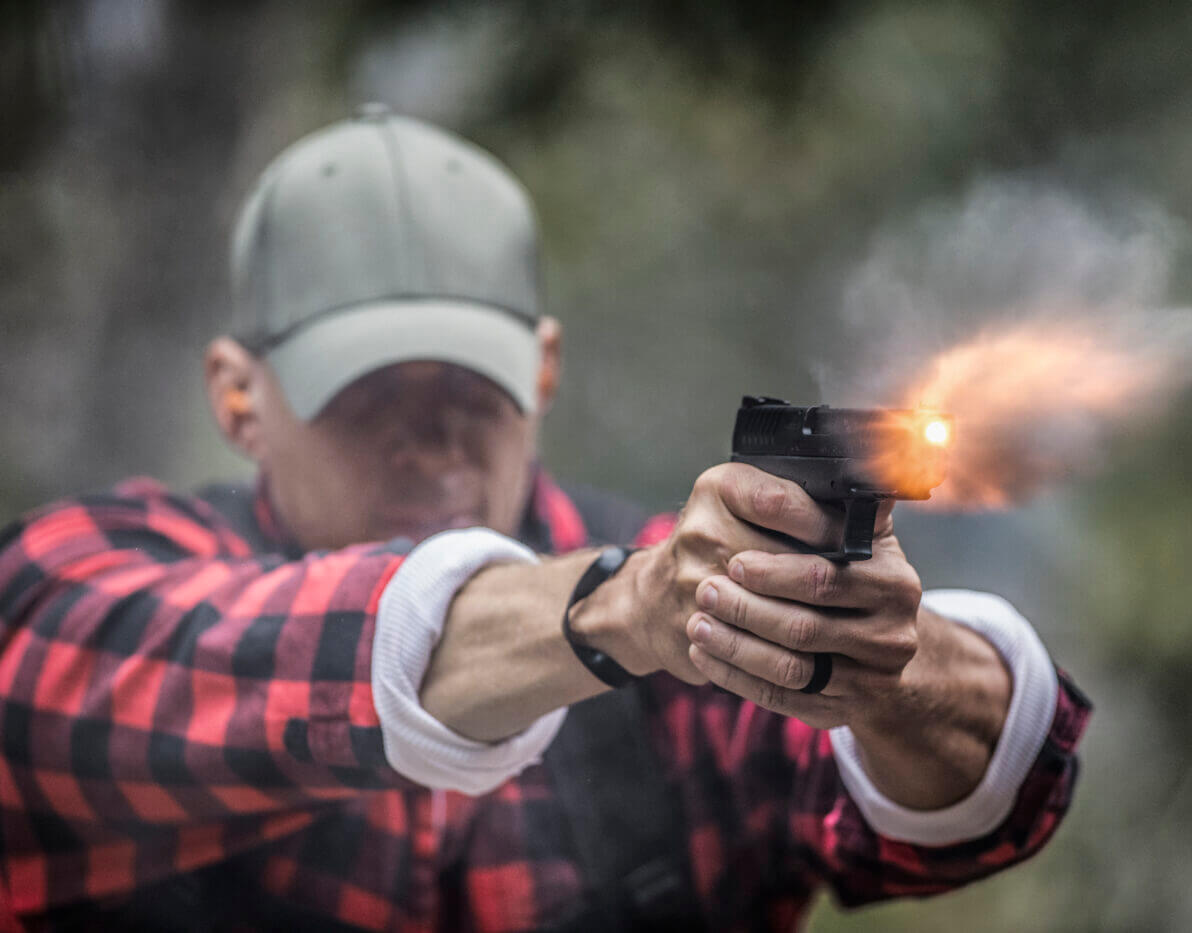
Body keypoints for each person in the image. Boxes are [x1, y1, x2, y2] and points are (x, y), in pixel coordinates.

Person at [0, 106, 1090, 932]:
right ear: (238, 396)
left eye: (470, 392)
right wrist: (618, 612)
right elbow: (93, 670)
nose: (429, 440)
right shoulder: (75, 581)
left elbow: (984, 793)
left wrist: (881, 664)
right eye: (366, 393)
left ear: (542, 369)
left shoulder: (696, 603)